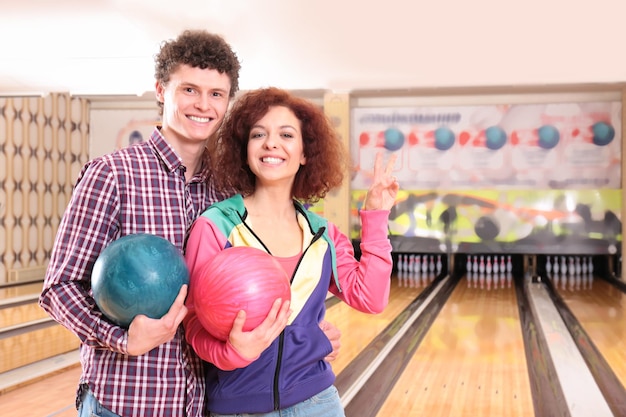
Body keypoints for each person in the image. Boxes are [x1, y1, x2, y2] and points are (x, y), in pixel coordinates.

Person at [39, 30, 340, 417]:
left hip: (200, 403)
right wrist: (123, 339)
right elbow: (58, 288)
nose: (203, 105)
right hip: (126, 402)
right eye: (189, 90)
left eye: (216, 94)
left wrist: (306, 336)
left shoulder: (230, 190)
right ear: (162, 90)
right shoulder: (112, 174)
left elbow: (261, 279)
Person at [183, 87, 399, 416]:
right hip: (238, 407)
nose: (272, 143)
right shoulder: (216, 226)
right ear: (245, 151)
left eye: (286, 134)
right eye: (259, 134)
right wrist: (234, 353)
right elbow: (194, 324)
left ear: (304, 153)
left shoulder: (322, 234)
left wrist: (375, 216)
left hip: (318, 402)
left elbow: (371, 298)